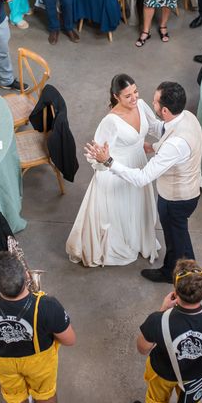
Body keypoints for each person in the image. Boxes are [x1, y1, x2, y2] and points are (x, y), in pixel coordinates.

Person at [86, 82, 202, 284]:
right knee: (176, 236)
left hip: (177, 198)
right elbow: (164, 131)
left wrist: (108, 161)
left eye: (155, 101)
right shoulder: (188, 117)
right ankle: (177, 269)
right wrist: (155, 145)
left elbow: (141, 178)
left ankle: (183, 277)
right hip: (191, 188)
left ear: (164, 110)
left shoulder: (174, 145)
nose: (148, 102)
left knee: (178, 237)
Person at [66, 74, 160, 266]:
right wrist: (103, 160)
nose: (134, 98)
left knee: (137, 206)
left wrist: (167, 137)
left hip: (138, 165)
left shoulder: (141, 105)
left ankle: (137, 238)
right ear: (116, 97)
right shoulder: (110, 121)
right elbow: (95, 156)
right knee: (121, 212)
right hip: (116, 171)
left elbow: (155, 126)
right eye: (128, 96)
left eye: (135, 91)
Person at [0, 251, 76, 403]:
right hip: (39, 361)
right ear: (26, 276)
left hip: (3, 362)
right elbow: (70, 340)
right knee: (45, 393)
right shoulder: (48, 306)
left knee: (15, 396)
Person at [133, 259, 202, 403]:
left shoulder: (156, 320)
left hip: (163, 373)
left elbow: (142, 348)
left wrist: (162, 310)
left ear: (175, 291)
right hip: (196, 376)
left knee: (156, 401)